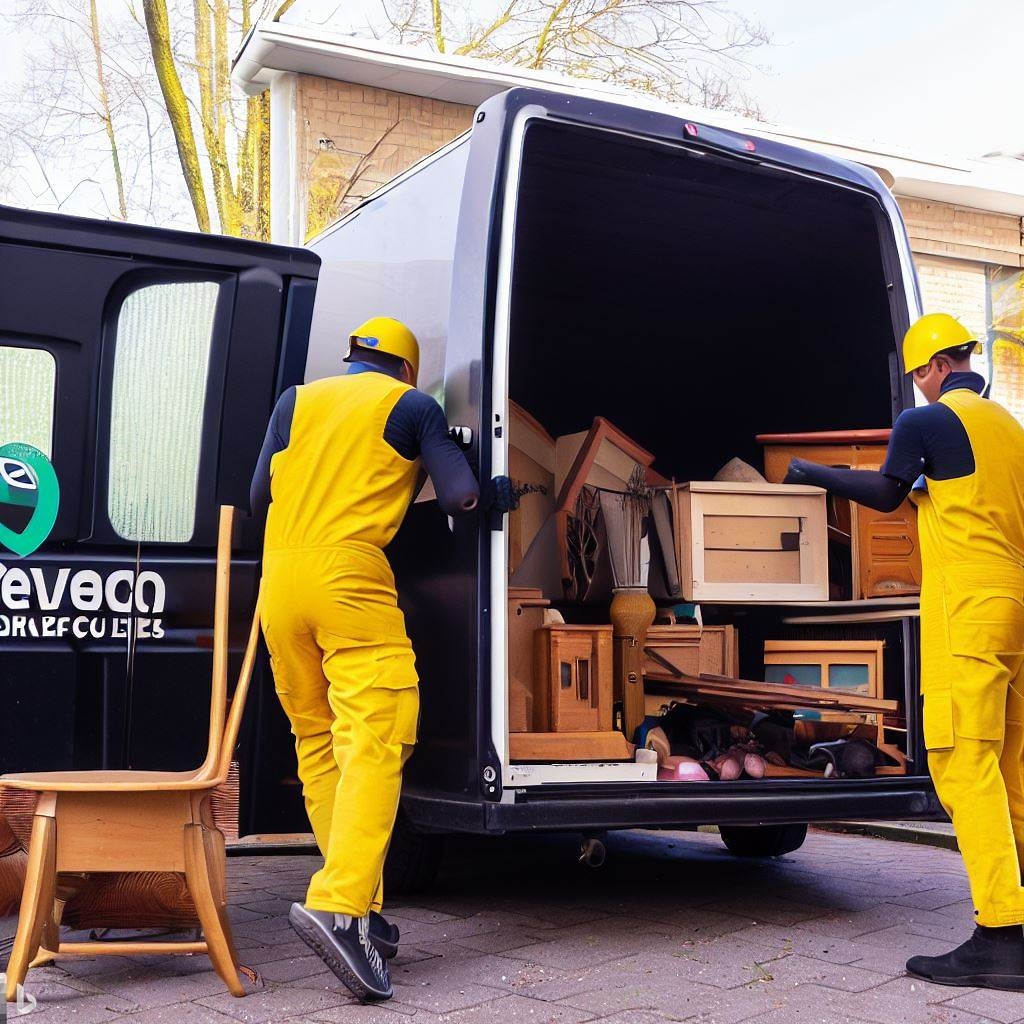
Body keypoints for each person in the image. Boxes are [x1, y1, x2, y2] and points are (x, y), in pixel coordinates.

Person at [785, 312, 1024, 991]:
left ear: (931, 370)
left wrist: (813, 472)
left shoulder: (926, 423)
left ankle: (1002, 934)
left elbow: (888, 494)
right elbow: (957, 503)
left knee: (960, 760)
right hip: (1017, 605)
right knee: (1010, 766)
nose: (918, 390)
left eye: (918, 378)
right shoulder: (1009, 430)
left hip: (970, 611)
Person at [250, 316, 486, 1002]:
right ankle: (340, 905)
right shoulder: (411, 406)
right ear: (407, 370)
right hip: (349, 580)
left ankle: (365, 905)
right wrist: (488, 491)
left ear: (352, 359)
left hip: (280, 583)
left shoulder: (297, 400)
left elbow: (262, 494)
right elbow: (461, 495)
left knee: (318, 742)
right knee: (378, 737)